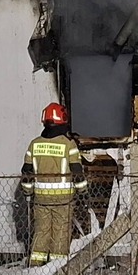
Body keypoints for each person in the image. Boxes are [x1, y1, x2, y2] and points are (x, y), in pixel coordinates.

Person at [21, 102, 87, 266]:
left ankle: (35, 268)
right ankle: (58, 270)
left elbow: (27, 173)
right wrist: (84, 193)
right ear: (62, 120)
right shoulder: (68, 144)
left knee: (41, 233)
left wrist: (28, 194)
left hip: (41, 199)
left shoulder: (34, 144)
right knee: (61, 234)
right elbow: (77, 172)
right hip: (63, 200)